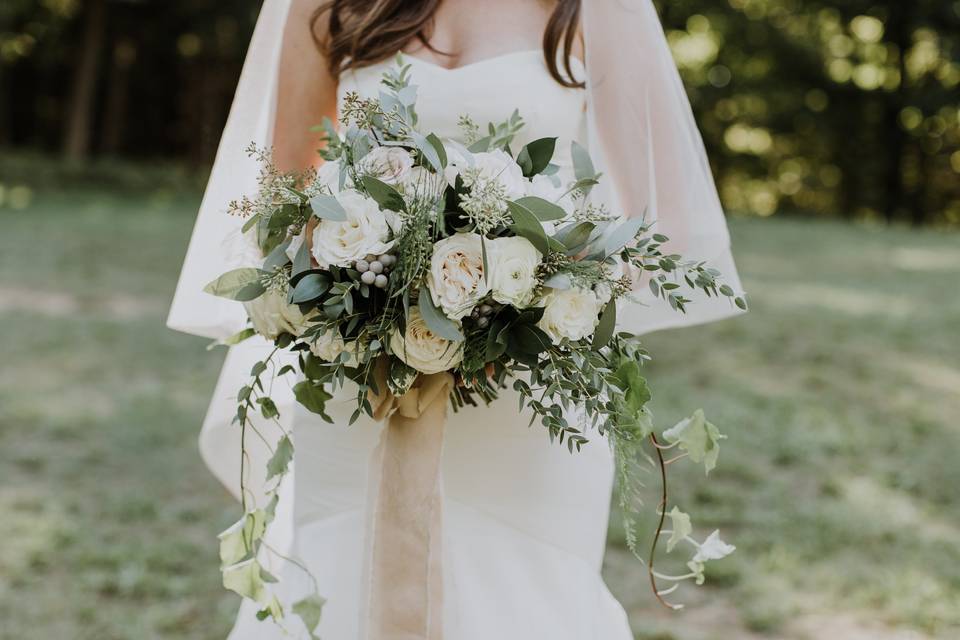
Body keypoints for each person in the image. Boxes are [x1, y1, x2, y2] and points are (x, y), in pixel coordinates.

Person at [168, 0, 744, 637]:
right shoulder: (329, 7)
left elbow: (661, 225)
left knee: (523, 594)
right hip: (359, 378)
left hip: (529, 390)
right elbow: (283, 196)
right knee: (340, 576)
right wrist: (366, 295)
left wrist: (530, 301)